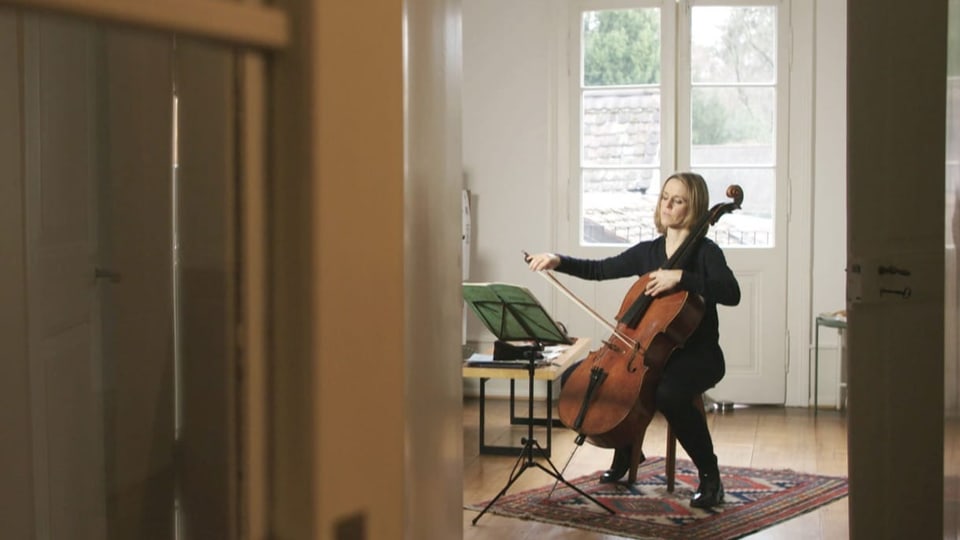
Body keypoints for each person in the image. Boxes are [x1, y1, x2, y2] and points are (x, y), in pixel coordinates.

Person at [525, 172, 740, 509]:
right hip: (644, 352)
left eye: (677, 200)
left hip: (698, 356)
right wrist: (558, 260)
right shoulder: (648, 252)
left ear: (694, 206)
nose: (667, 205)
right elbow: (599, 269)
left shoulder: (706, 253)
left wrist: (682, 277)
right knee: (575, 378)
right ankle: (626, 449)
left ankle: (710, 476)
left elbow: (731, 293)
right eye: (664, 197)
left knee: (669, 392)